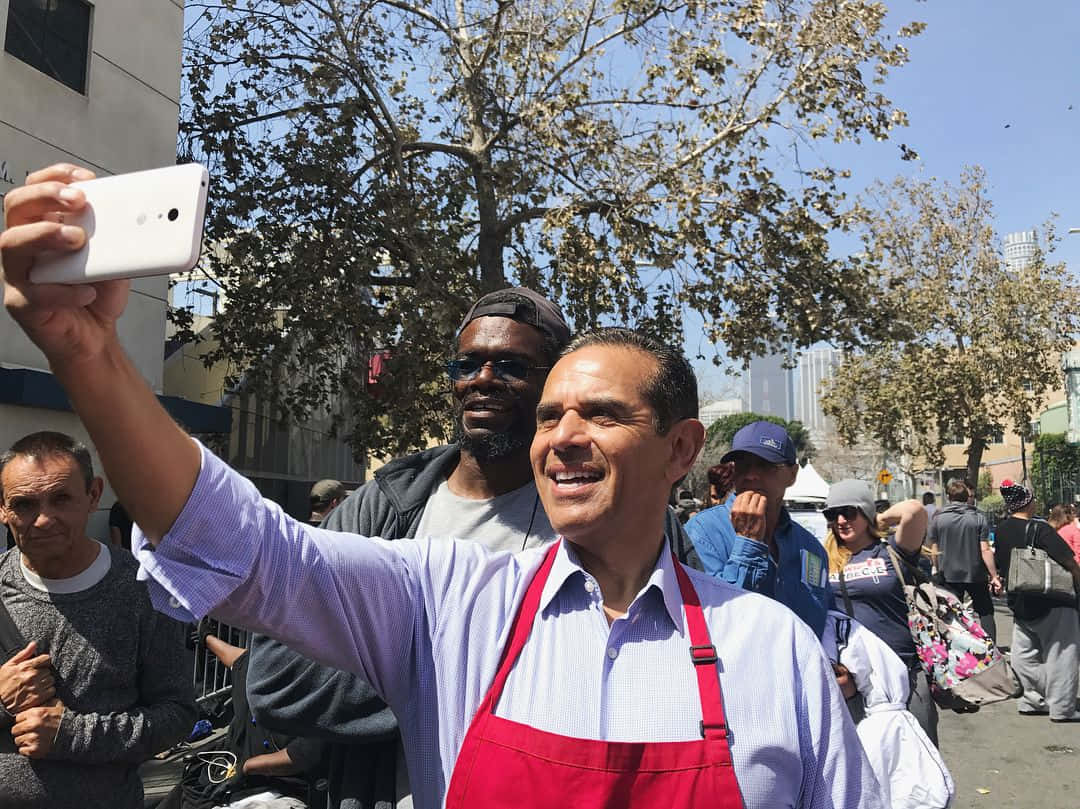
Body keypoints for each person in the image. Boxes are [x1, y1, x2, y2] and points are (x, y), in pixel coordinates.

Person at [2, 164, 883, 809]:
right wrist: (87, 353)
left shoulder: (770, 649)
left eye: (601, 414)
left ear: (681, 448)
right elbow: (244, 547)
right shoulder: (452, 599)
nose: (563, 436)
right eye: (552, 416)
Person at [247, 287, 570, 809]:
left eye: (511, 366)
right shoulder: (382, 510)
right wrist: (464, 675)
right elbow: (277, 679)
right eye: (467, 364)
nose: (483, 379)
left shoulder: (598, 516)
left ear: (556, 382)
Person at [0, 431, 196, 809]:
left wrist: (71, 735)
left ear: (93, 496)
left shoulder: (142, 591)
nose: (43, 520)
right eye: (23, 504)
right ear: (3, 508)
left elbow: (177, 714)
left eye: (61, 499)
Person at [685, 421, 831, 637]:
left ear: (792, 475)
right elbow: (713, 618)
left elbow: (826, 618)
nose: (751, 475)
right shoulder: (702, 532)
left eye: (765, 465)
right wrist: (748, 542)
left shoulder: (810, 547)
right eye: (742, 466)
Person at [822, 480, 939, 745]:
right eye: (832, 514)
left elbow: (915, 511)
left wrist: (878, 518)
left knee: (919, 757)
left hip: (905, 673)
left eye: (849, 512)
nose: (840, 521)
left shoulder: (891, 551)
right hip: (853, 682)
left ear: (865, 512)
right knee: (865, 762)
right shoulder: (823, 559)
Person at [993, 481, 1080, 722]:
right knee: (1062, 654)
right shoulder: (1040, 528)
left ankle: (1031, 700)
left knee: (1024, 654)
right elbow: (1069, 561)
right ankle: (1062, 707)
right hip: (1052, 599)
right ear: (1028, 502)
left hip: (1020, 599)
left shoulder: (1001, 530)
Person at [927, 478, 1000, 643]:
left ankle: (958, 646)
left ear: (948, 497)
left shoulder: (938, 519)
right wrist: (994, 575)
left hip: (948, 573)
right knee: (985, 611)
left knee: (952, 613)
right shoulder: (978, 518)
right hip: (975, 573)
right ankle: (991, 645)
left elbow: (934, 549)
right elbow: (985, 549)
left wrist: (937, 568)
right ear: (967, 497)